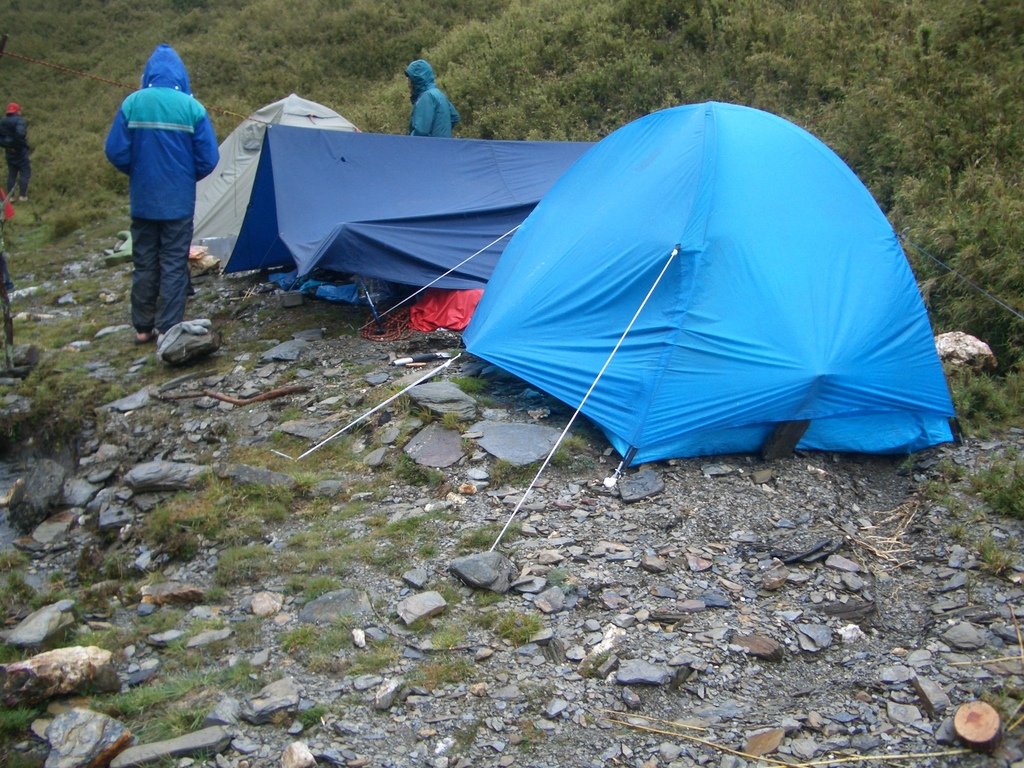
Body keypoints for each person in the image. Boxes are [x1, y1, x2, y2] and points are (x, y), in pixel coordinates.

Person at [104, 44, 218, 345]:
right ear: (181, 75)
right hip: (178, 203)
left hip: (143, 200)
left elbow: (115, 150)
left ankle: (142, 327)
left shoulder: (133, 103)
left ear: (149, 74)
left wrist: (139, 171)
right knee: (173, 261)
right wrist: (184, 177)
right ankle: (168, 327)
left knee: (144, 262)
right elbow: (209, 158)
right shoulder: (192, 107)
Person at [405, 59, 460, 138]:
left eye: (409, 78)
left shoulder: (426, 97)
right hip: (445, 146)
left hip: (429, 147)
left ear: (417, 79)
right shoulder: (439, 94)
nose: (407, 81)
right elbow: (454, 117)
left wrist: (407, 144)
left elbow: (421, 131)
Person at [1, 103, 31, 201]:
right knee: (25, 172)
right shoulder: (20, 121)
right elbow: (20, 134)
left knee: (12, 174)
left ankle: (11, 197)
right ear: (17, 111)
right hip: (20, 151)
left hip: (9, 152)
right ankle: (22, 196)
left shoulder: (2, 121)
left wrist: (7, 145)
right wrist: (19, 144)